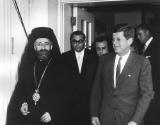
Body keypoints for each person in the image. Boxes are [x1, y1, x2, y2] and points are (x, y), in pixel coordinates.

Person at [6, 27, 73, 125]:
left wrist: (54, 113)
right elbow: (20, 92)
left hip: (50, 120)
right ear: (34, 47)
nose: (43, 48)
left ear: (51, 46)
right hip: (30, 120)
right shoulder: (28, 67)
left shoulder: (62, 68)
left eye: (46, 44)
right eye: (39, 44)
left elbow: (68, 96)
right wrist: (23, 104)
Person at [90, 24, 154, 125]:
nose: (114, 43)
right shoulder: (104, 60)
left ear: (129, 41)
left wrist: (135, 120)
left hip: (130, 120)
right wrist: (94, 113)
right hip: (106, 118)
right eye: (113, 39)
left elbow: (146, 95)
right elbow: (96, 89)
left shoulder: (142, 63)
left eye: (118, 39)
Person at [60, 31, 98, 125]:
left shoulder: (94, 56)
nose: (77, 44)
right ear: (71, 42)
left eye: (80, 41)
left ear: (84, 41)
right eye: (74, 41)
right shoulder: (64, 57)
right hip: (70, 105)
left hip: (88, 104)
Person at [136, 23, 160, 125]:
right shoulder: (143, 48)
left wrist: (154, 89)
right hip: (148, 90)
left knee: (153, 118)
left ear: (147, 32)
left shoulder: (156, 46)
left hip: (154, 91)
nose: (138, 37)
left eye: (139, 34)